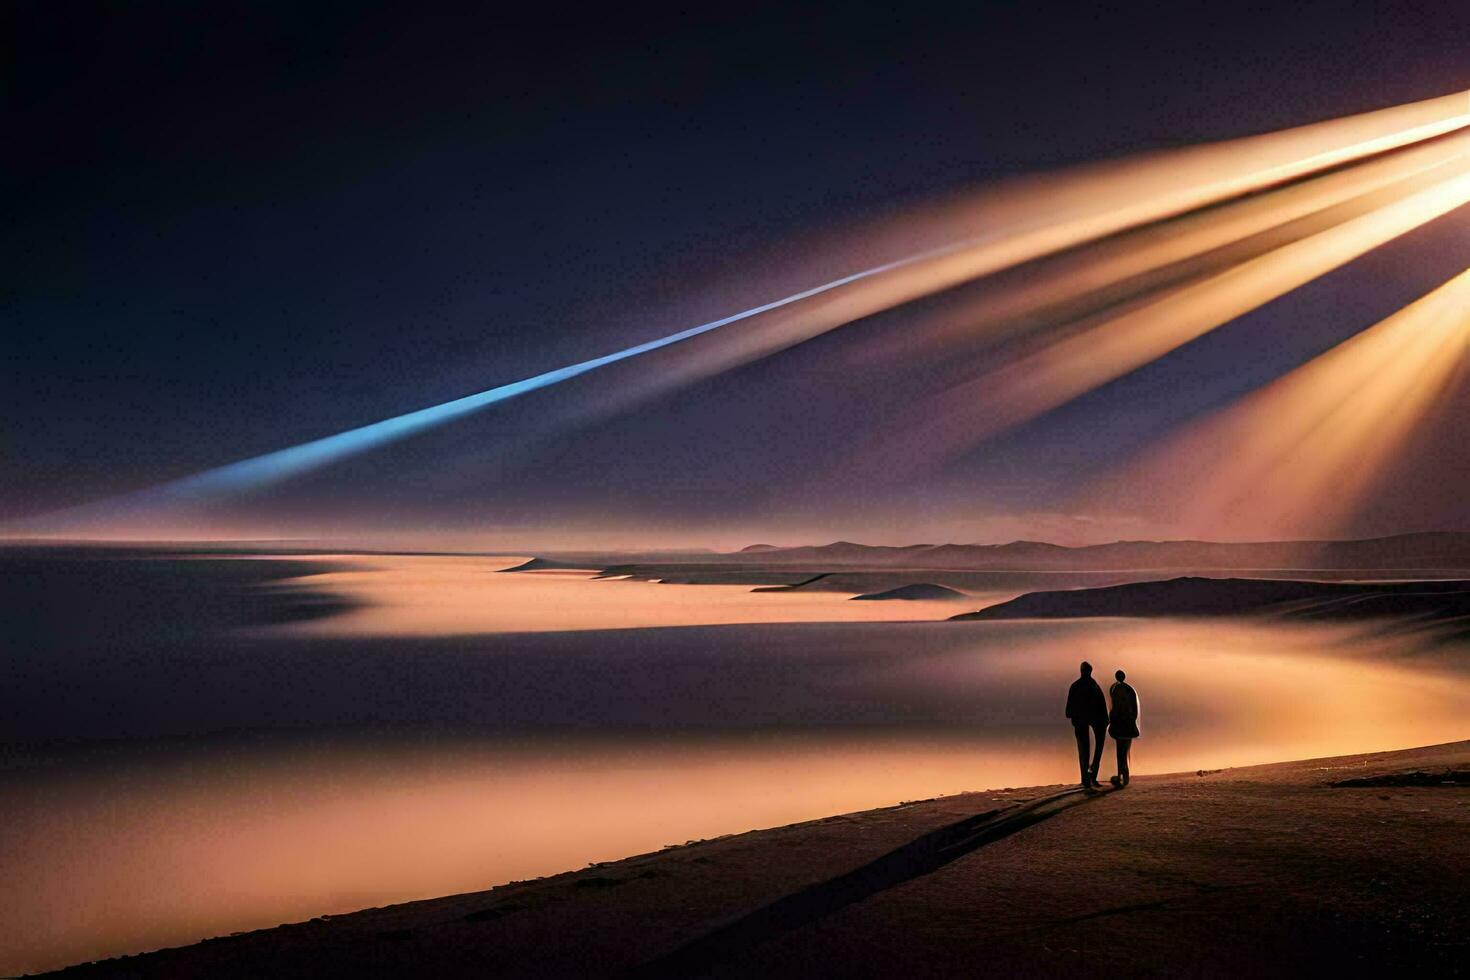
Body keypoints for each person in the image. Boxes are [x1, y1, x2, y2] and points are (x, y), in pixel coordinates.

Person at [1064, 661, 1108, 788]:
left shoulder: (1077, 686)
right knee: (1090, 748)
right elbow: (1101, 704)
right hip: (1089, 720)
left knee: (1084, 749)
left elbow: (1068, 710)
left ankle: (1088, 777)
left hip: (1085, 720)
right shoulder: (1094, 686)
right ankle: (1089, 777)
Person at [1108, 669, 1141, 787]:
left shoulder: (1115, 689)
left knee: (1120, 754)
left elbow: (1114, 710)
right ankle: (1125, 777)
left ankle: (1121, 777)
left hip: (1119, 727)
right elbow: (1135, 711)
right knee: (1126, 752)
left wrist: (1112, 721)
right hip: (1129, 726)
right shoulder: (1130, 690)